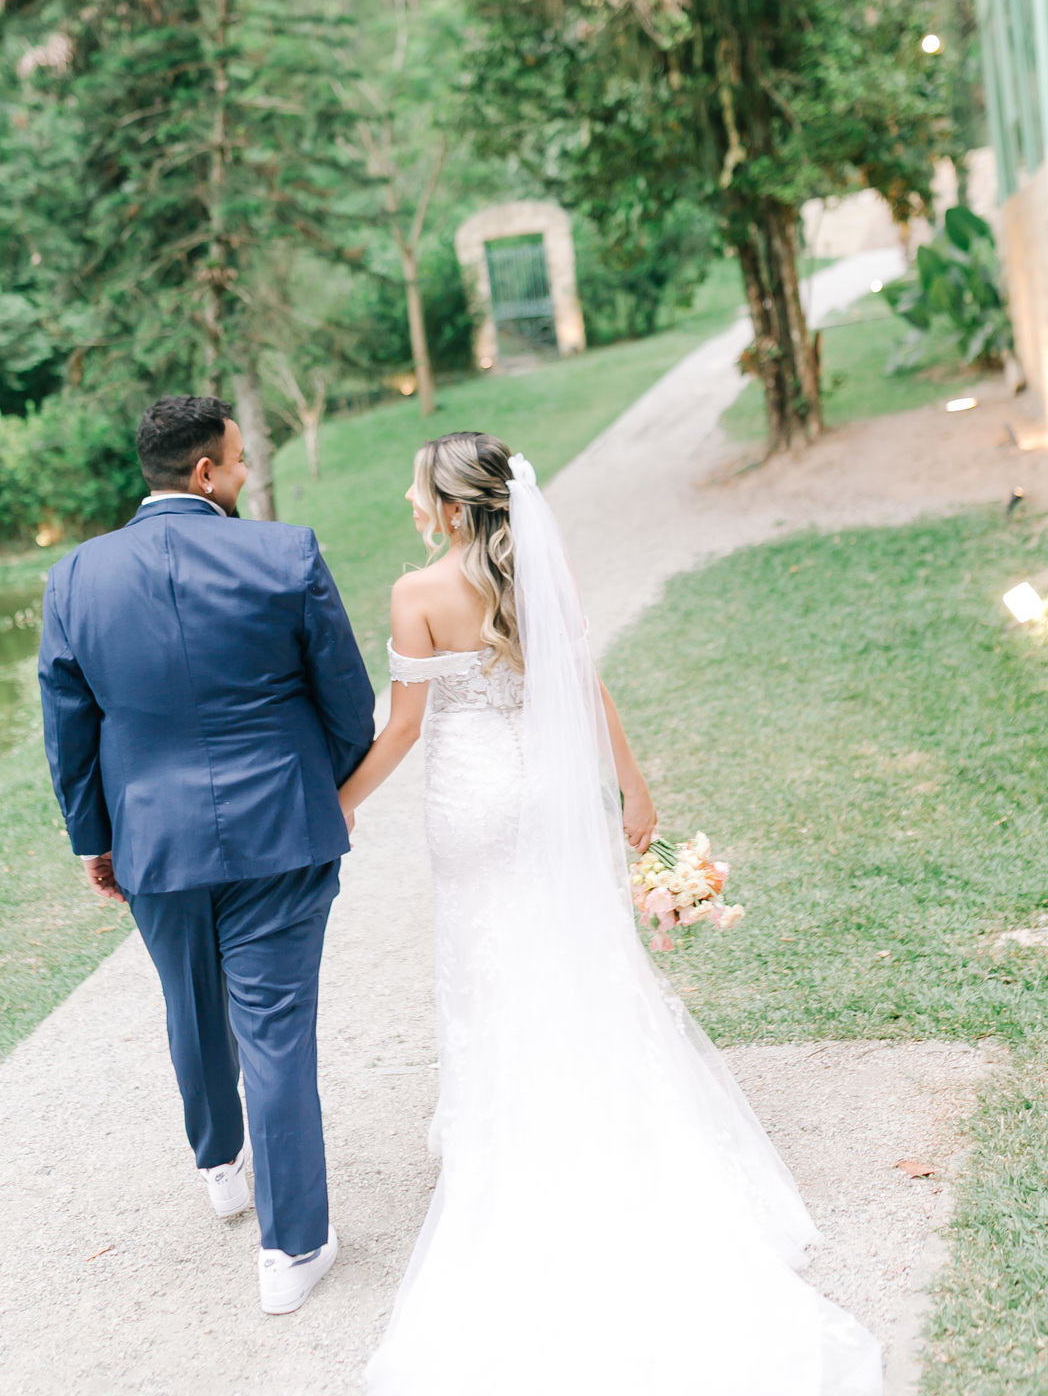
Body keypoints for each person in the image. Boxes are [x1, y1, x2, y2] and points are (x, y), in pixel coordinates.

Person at [339, 431, 883, 1396]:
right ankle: (601, 1108)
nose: (409, 502)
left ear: (453, 508)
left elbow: (408, 726)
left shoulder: (415, 594)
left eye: (418, 489)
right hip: (550, 799)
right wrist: (634, 787)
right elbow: (583, 688)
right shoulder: (537, 575)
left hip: (471, 806)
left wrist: (339, 800)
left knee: (486, 962)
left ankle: (513, 1131)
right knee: (567, 952)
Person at [39, 394, 375, 1316]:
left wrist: (94, 840)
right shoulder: (285, 552)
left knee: (188, 1000)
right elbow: (348, 702)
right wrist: (326, 793)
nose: (243, 474)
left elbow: (69, 728)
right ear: (204, 473)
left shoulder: (74, 579)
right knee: (276, 1028)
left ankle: (221, 1166)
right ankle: (292, 1250)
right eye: (237, 461)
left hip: (152, 839)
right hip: (280, 832)